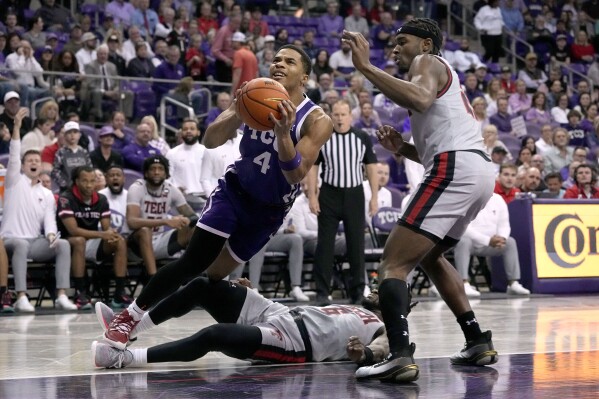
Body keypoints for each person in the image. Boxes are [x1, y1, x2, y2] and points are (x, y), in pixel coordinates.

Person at [103, 44, 333, 351]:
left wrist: (282, 133)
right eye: (276, 59)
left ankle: (135, 326)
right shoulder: (254, 93)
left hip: (268, 211)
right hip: (234, 190)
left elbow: (295, 174)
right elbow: (210, 140)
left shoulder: (317, 120)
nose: (279, 64)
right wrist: (237, 112)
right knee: (193, 261)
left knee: (210, 279)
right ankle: (128, 318)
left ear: (304, 77)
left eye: (289, 62)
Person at [341, 18, 498, 383]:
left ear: (426, 45)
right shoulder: (436, 75)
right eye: (393, 44)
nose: (395, 49)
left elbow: (420, 98)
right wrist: (403, 148)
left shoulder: (426, 64)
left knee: (393, 264)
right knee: (430, 256)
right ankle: (476, 340)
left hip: (456, 168)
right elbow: (439, 145)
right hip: (476, 172)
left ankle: (398, 354)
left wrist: (365, 67)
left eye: (403, 42)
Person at [92, 277, 387, 368]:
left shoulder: (384, 328)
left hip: (295, 343)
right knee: (204, 286)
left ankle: (125, 359)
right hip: (280, 312)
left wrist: (366, 354)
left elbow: (384, 349)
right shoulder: (351, 304)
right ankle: (130, 328)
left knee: (214, 335)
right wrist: (249, 292)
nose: (376, 289)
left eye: (383, 290)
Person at [1, 108, 77, 312]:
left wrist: (51, 234)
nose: (34, 163)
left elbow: (49, 219)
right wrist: (16, 127)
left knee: (62, 244)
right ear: (23, 166)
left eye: (37, 161)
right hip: (10, 239)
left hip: (34, 241)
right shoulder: (14, 182)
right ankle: (21, 296)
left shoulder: (46, 193)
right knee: (20, 245)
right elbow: (15, 154)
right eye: (30, 161)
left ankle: (61, 294)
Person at [308, 99, 378, 306]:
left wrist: (374, 196)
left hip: (354, 194)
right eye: (336, 114)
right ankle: (322, 292)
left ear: (350, 116)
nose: (339, 118)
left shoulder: (362, 137)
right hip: (329, 194)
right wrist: (312, 195)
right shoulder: (324, 137)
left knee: (356, 244)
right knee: (325, 245)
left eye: (343, 114)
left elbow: (372, 166)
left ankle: (357, 292)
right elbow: (313, 166)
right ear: (332, 116)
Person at [57, 166, 130, 310]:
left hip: (91, 242)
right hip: (67, 243)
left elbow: (105, 227)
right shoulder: (66, 198)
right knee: (79, 240)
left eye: (92, 181)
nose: (89, 185)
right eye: (85, 181)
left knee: (119, 241)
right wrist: (103, 234)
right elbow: (73, 230)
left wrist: (111, 233)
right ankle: (80, 292)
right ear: (77, 181)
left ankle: (119, 292)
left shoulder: (101, 199)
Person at [126, 155, 198, 279]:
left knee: (195, 230)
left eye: (160, 169)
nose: (156, 172)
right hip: (135, 246)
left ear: (166, 174)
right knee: (145, 231)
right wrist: (166, 221)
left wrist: (187, 220)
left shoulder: (171, 189)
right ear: (146, 173)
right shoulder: (136, 188)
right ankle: (152, 281)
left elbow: (192, 216)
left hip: (160, 241)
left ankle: (193, 276)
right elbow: (131, 222)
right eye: (152, 169)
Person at [452, 193, 531, 297]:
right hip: (472, 243)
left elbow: (504, 225)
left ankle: (513, 284)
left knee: (510, 242)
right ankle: (463, 283)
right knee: (463, 240)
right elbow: (464, 228)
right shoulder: (466, 197)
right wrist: (487, 240)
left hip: (492, 244)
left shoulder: (498, 199)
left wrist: (502, 238)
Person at [166, 119, 207, 210]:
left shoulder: (206, 151)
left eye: (192, 129)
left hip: (203, 200)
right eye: (185, 129)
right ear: (181, 133)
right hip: (180, 201)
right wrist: (175, 189)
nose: (188, 131)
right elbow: (167, 178)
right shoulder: (172, 153)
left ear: (198, 132)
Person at [51, 121, 92, 192]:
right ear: (65, 135)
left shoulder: (84, 152)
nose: (72, 135)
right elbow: (55, 171)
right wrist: (64, 184)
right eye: (69, 132)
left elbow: (90, 169)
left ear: (79, 135)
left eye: (75, 132)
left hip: (84, 189)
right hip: (67, 191)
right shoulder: (61, 152)